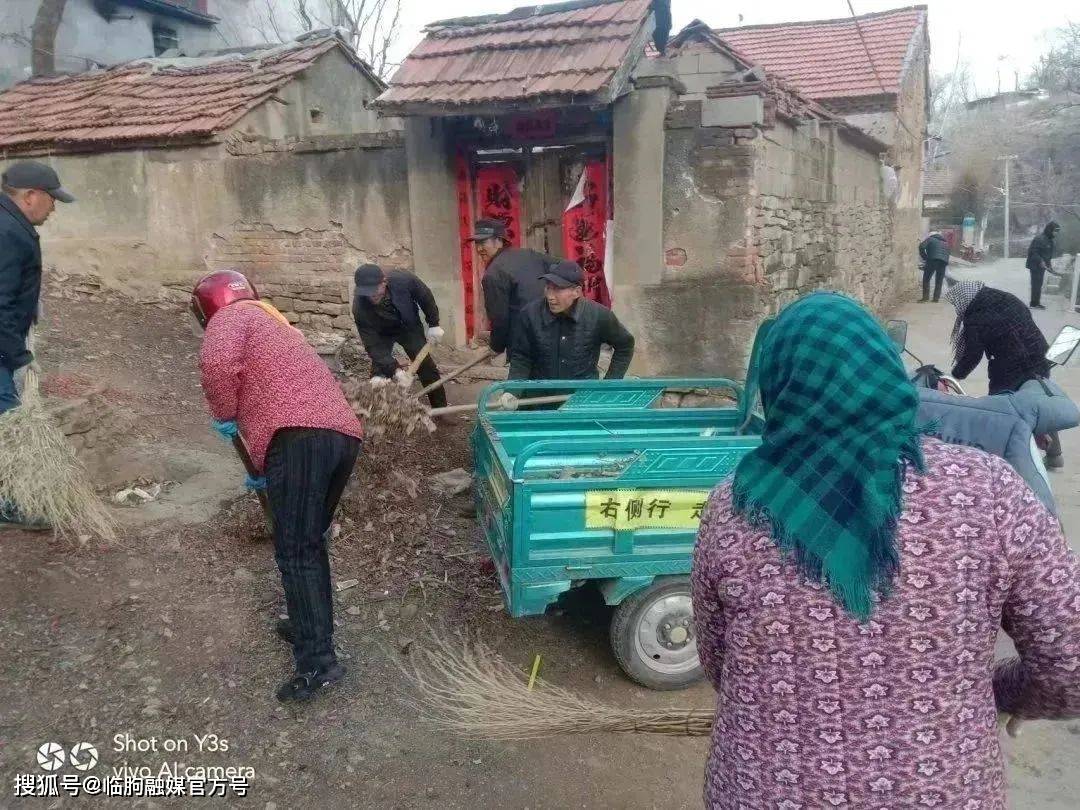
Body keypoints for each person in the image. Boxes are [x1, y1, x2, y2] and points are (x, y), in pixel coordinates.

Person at [691, 291, 1079, 810]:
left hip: (767, 791)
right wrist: (996, 692)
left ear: (777, 385)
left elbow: (722, 666)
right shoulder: (990, 492)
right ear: (884, 373)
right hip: (940, 791)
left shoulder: (733, 507)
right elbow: (1070, 661)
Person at [194, 270, 364, 703]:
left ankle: (318, 663)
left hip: (298, 437)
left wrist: (224, 410)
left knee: (295, 549)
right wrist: (262, 465)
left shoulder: (232, 318)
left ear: (209, 305)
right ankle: (310, 627)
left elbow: (217, 365)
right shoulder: (275, 324)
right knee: (308, 543)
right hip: (340, 436)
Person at [0, 160, 74, 529]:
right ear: (31, 196)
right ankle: (12, 504)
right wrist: (17, 356)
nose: (55, 206)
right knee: (9, 423)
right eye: (52, 198)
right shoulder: (9, 232)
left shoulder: (8, 222)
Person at [944, 280, 1063, 466]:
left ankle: (1004, 459)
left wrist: (956, 375)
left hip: (1008, 366)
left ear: (964, 298)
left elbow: (972, 354)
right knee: (1039, 401)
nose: (957, 306)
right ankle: (1055, 456)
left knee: (1002, 409)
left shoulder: (975, 317)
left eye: (956, 302)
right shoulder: (1007, 298)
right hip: (1039, 354)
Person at [505, 261, 634, 403]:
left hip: (581, 401)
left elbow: (625, 345)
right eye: (548, 288)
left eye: (558, 289)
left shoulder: (598, 315)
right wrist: (512, 391)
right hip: (537, 400)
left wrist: (609, 385)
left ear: (577, 292)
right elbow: (522, 357)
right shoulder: (530, 314)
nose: (550, 296)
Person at [351, 263, 446, 409]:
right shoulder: (359, 307)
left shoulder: (403, 279)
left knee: (425, 365)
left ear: (384, 282)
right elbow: (373, 344)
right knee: (379, 374)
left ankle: (441, 408)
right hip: (381, 332)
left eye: (374, 290)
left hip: (408, 326)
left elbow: (425, 296)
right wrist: (395, 370)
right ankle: (380, 413)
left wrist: (434, 324)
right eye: (366, 292)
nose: (371, 296)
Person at [469, 218, 556, 355]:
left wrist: (496, 346)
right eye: (477, 244)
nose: (479, 249)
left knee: (523, 376)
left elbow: (499, 319)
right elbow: (565, 268)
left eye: (483, 242)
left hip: (524, 343)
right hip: (552, 332)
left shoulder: (493, 274)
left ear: (499, 241)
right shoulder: (529, 254)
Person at [1026, 221, 1062, 309]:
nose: (1056, 233)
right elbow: (1033, 252)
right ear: (1050, 230)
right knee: (1036, 284)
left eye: (1057, 231)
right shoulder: (1039, 239)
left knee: (1039, 284)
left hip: (1042, 266)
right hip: (1035, 265)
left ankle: (1036, 303)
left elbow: (1048, 256)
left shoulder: (1050, 241)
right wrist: (1040, 261)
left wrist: (1050, 267)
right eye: (1055, 230)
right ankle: (1034, 304)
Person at [917, 231, 950, 302]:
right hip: (943, 262)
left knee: (926, 279)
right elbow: (948, 253)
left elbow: (921, 246)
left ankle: (925, 298)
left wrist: (925, 257)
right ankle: (936, 299)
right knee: (939, 280)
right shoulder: (945, 243)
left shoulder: (930, 239)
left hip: (932, 260)